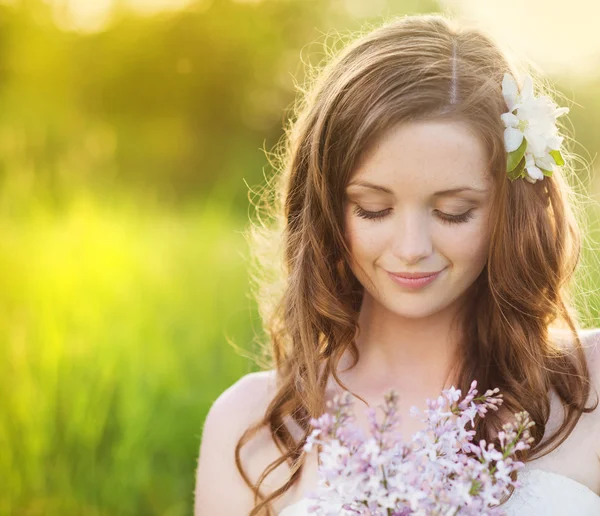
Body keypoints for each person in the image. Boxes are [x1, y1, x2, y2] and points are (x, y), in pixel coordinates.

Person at [194, 12, 600, 516]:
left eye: (454, 212)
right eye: (374, 209)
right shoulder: (250, 425)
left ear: (509, 211)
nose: (411, 247)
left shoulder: (592, 383)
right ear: (323, 207)